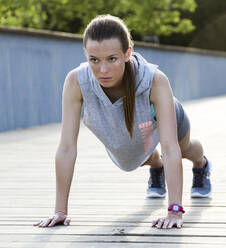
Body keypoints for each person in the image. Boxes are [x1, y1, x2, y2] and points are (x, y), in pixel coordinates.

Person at [34, 14, 212, 229]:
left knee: (184, 150)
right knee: (132, 157)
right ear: (85, 55)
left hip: (160, 115)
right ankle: (157, 167)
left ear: (127, 53)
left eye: (112, 59)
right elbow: (66, 148)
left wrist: (174, 210)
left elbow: (170, 147)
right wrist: (60, 211)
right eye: (94, 60)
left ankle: (201, 163)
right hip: (128, 125)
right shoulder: (76, 81)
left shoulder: (155, 80)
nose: (103, 70)